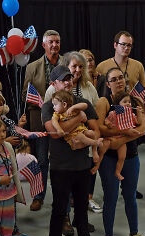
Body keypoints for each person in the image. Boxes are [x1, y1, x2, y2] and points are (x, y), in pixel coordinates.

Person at [42, 65, 109, 236]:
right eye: (64, 79)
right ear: (54, 84)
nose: (69, 82)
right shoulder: (48, 106)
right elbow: (55, 133)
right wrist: (79, 119)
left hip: (82, 165)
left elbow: (95, 130)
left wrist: (85, 138)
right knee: (59, 210)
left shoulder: (85, 103)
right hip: (61, 167)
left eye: (70, 79)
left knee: (82, 208)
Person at [95, 71, 145, 236]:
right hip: (109, 158)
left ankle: (134, 234)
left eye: (121, 78)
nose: (118, 82)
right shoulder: (104, 102)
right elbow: (100, 128)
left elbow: (142, 128)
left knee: (130, 196)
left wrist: (121, 140)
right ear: (108, 83)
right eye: (114, 79)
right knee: (110, 198)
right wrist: (124, 133)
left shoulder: (134, 100)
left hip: (131, 156)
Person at [44, 51, 102, 216]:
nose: (77, 71)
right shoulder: (51, 94)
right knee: (61, 199)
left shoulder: (87, 89)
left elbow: (93, 118)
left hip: (82, 151)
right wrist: (79, 118)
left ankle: (81, 215)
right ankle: (66, 219)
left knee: (82, 191)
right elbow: (55, 129)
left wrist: (85, 140)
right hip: (62, 155)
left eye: (80, 67)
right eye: (73, 66)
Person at [22, 29, 66, 212]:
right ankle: (38, 196)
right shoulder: (32, 67)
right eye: (51, 42)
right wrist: (41, 104)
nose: (54, 45)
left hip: (64, 121)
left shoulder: (67, 62)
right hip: (40, 121)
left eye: (57, 41)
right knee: (41, 161)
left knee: (63, 160)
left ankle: (66, 196)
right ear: (44, 45)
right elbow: (25, 94)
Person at [97, 91, 142, 181]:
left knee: (122, 157)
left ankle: (117, 172)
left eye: (129, 102)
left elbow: (138, 122)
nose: (128, 104)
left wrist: (139, 113)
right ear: (118, 104)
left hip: (122, 140)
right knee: (102, 149)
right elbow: (106, 121)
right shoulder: (113, 113)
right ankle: (97, 165)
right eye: (124, 102)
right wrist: (109, 124)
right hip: (112, 138)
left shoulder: (131, 114)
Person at [50, 90, 103, 156]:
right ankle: (95, 143)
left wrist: (73, 107)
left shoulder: (73, 110)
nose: (53, 107)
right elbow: (54, 121)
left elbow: (85, 105)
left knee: (91, 133)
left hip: (83, 131)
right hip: (73, 137)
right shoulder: (57, 114)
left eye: (55, 104)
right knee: (80, 136)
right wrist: (59, 129)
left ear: (64, 104)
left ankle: (94, 152)